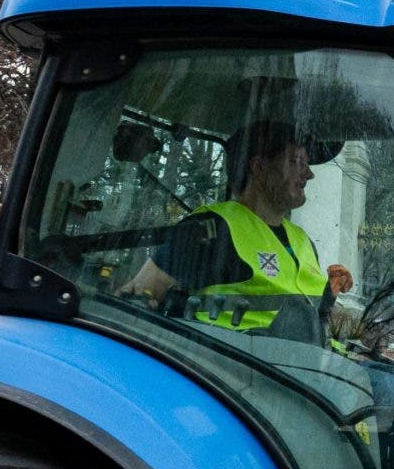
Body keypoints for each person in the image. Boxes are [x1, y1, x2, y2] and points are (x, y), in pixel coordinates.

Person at [125, 116, 352, 340]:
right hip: (226, 370)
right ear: (259, 168)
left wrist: (329, 294)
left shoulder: (302, 240)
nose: (309, 174)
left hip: (304, 369)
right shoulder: (208, 230)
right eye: (297, 161)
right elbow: (137, 301)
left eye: (307, 163)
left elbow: (308, 321)